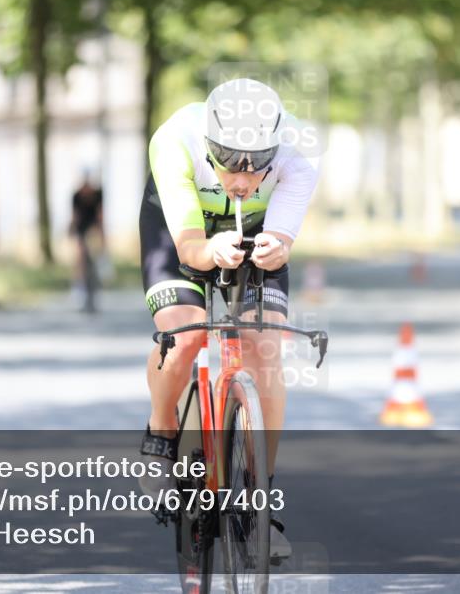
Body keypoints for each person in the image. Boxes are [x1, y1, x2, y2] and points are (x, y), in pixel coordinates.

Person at [138, 78, 319, 560]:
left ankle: (260, 504)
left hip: (253, 229)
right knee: (185, 335)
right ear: (209, 146)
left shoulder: (300, 153)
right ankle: (161, 431)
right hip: (181, 231)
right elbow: (190, 250)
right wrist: (209, 251)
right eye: (229, 162)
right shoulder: (174, 141)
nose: (243, 179)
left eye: (257, 165)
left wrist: (277, 245)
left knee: (266, 348)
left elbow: (283, 239)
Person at [69, 170, 105, 312]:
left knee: (95, 259)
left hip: (93, 229)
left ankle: (94, 291)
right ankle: (80, 289)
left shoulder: (98, 194)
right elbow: (75, 216)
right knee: (80, 259)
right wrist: (72, 232)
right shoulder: (76, 196)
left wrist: (102, 238)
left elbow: (101, 216)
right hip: (81, 230)